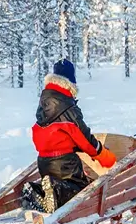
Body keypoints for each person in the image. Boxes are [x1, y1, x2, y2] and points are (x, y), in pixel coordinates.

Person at [23, 59, 117, 212]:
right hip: (65, 164)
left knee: (56, 190)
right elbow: (84, 138)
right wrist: (103, 155)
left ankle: (37, 189)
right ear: (70, 82)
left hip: (44, 163)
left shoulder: (44, 103)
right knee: (81, 190)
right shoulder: (67, 106)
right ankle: (55, 189)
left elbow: (48, 135)